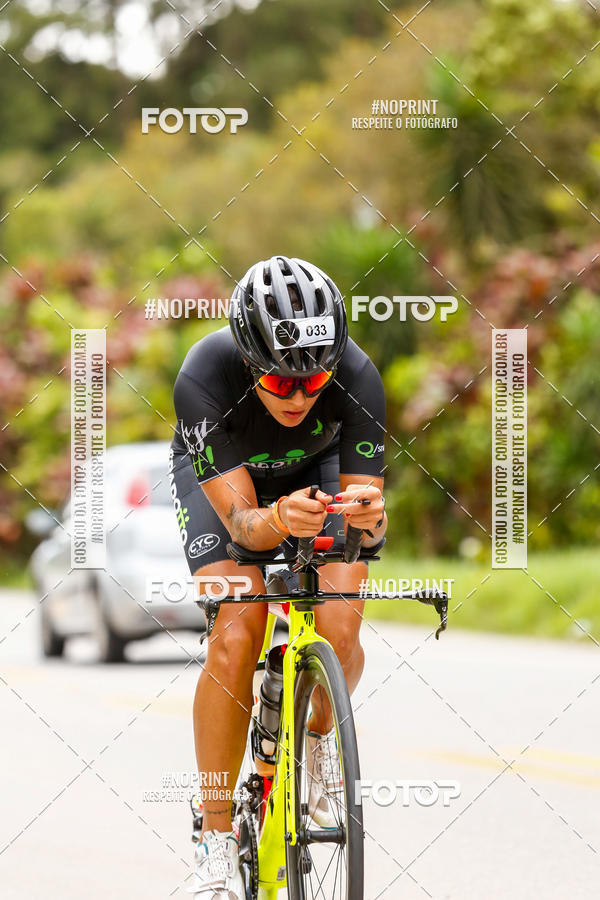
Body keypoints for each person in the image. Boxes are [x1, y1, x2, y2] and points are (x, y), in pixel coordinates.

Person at [170, 255, 387, 898]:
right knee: (238, 632)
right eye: (279, 381)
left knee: (342, 628)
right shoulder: (202, 378)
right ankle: (214, 831)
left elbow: (367, 527)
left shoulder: (357, 375)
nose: (299, 395)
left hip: (316, 479)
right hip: (231, 489)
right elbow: (241, 526)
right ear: (246, 359)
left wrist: (370, 521)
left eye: (313, 379)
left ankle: (320, 740)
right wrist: (275, 520)